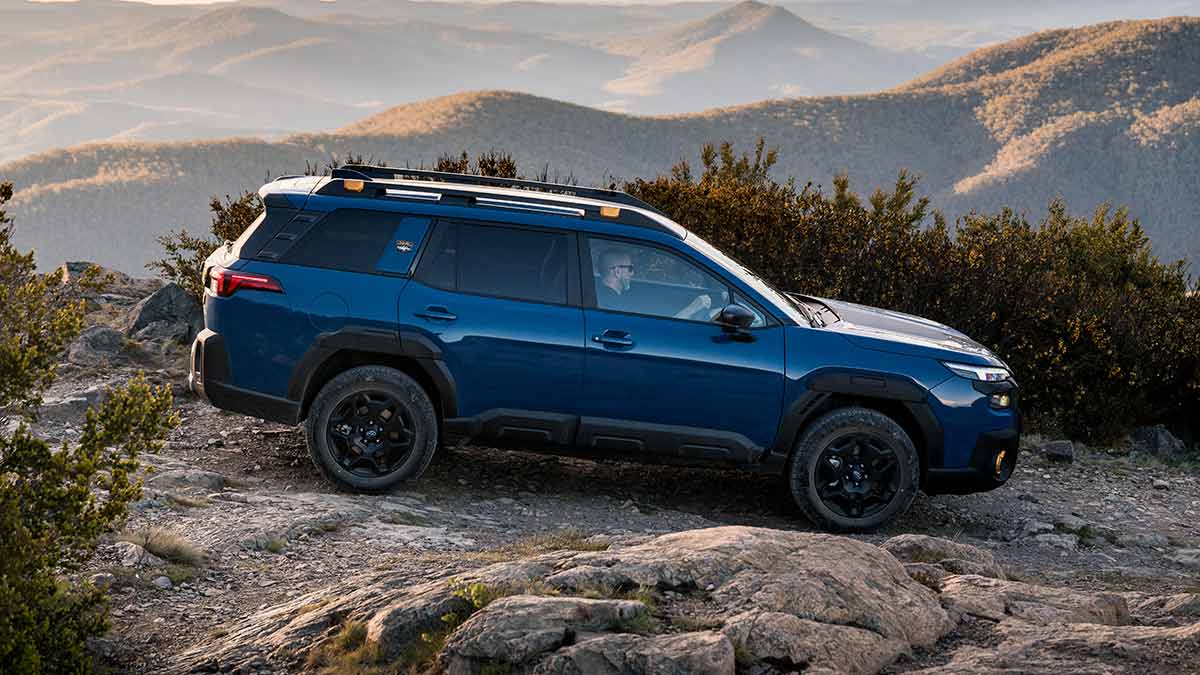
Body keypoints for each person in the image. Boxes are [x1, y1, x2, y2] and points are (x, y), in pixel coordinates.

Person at [596, 248, 713, 319]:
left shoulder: (606, 297)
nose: (632, 274)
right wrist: (693, 308)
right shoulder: (611, 304)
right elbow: (658, 333)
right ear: (617, 271)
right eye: (630, 269)